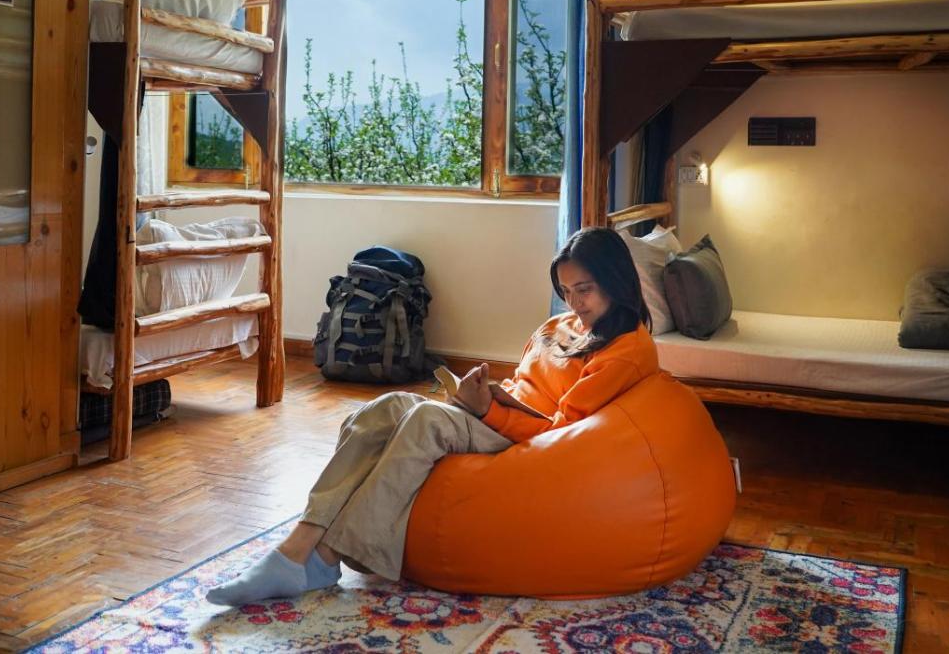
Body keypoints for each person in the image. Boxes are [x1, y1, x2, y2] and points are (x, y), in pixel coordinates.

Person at [205, 227, 659, 605]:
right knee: (385, 407)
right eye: (566, 291)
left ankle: (326, 557)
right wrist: (483, 394)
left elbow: (563, 430)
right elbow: (526, 381)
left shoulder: (626, 350)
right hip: (495, 412)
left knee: (425, 422)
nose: (574, 303)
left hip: (531, 440)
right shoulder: (560, 326)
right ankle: (296, 548)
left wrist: (488, 411)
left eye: (584, 290)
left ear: (615, 282)